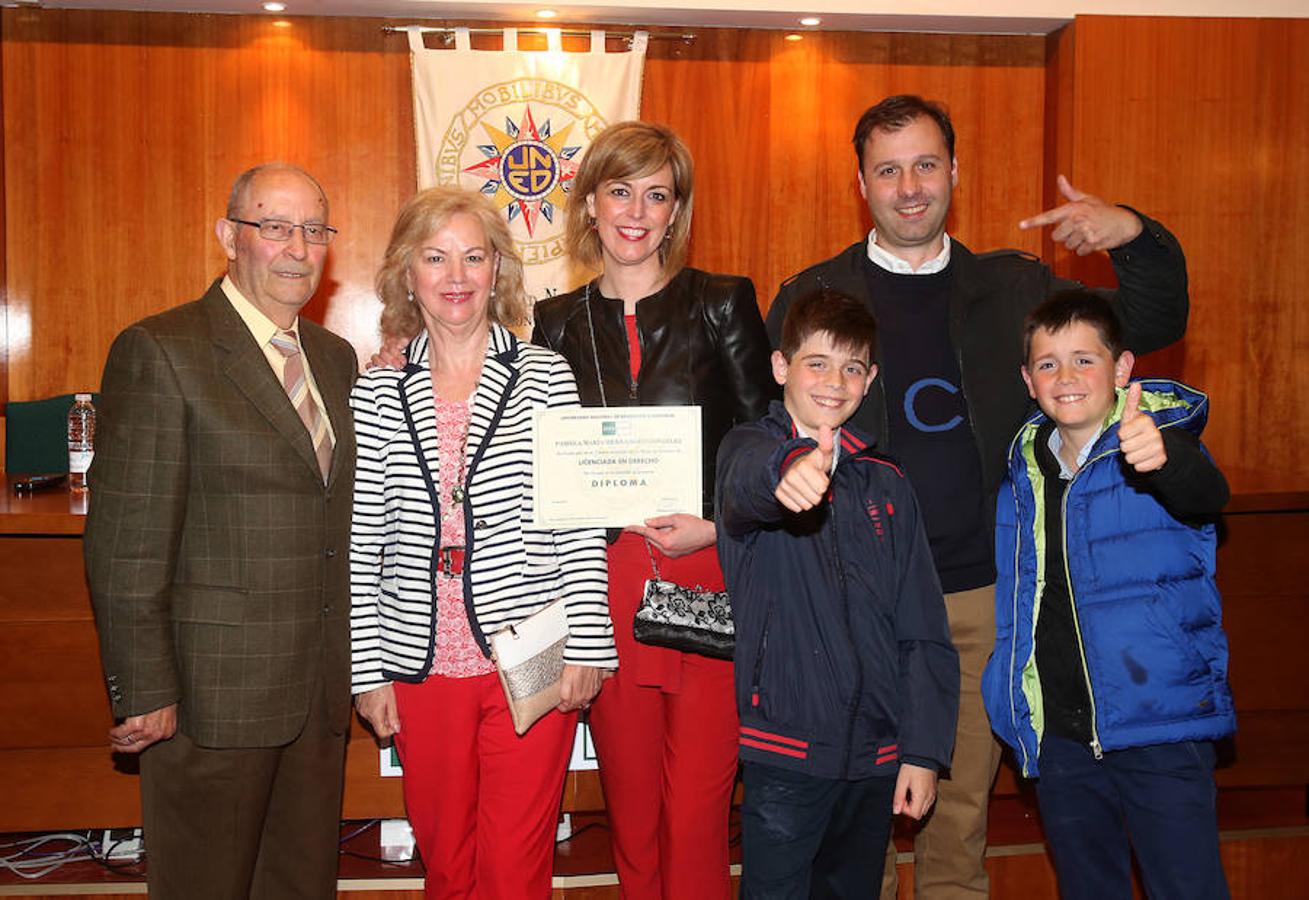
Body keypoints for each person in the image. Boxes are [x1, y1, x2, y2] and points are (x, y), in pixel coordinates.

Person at [765, 94, 1190, 898]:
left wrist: (1131, 235)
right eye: (888, 170)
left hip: (979, 599)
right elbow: (765, 433)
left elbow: (1155, 318)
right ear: (862, 184)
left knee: (954, 821)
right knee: (852, 829)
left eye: (926, 164)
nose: (910, 186)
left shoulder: (1016, 285)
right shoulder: (813, 296)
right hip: (851, 604)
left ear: (953, 172)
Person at [84, 162, 356, 899]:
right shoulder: (162, 350)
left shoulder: (334, 360)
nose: (297, 247)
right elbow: (125, 544)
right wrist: (144, 688)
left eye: (313, 229)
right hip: (209, 699)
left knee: (300, 887)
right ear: (228, 235)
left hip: (315, 693)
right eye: (273, 226)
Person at [531, 121, 776, 899]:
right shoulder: (554, 322)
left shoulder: (721, 302)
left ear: (676, 211)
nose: (636, 211)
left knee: (699, 807)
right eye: (620, 190)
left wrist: (717, 520)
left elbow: (766, 444)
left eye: (656, 194)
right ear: (591, 204)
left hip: (706, 576)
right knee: (630, 809)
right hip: (602, 585)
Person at [349, 185, 615, 899]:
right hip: (420, 659)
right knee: (445, 856)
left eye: (473, 257)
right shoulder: (373, 393)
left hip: (528, 648)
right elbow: (362, 542)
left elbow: (579, 520)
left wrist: (589, 646)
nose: (456, 276)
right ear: (408, 274)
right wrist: (367, 670)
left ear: (497, 269)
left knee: (515, 859)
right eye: (435, 258)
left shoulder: (544, 374)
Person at [982, 290, 1233, 899]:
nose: (1066, 377)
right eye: (1048, 364)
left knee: (1187, 886)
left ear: (1122, 369)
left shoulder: (1160, 446)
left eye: (1084, 360)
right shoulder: (1022, 476)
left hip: (1160, 727)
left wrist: (1165, 459)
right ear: (1028, 379)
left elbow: (1207, 495)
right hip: (1061, 739)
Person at [716, 288, 959, 897]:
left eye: (852, 367)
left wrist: (922, 751)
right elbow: (749, 482)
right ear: (780, 367)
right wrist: (790, 471)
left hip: (877, 756)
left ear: (871, 378)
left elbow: (923, 629)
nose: (835, 381)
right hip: (785, 751)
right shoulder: (747, 449)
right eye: (816, 363)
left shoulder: (888, 481)